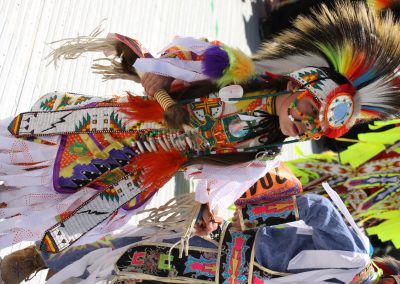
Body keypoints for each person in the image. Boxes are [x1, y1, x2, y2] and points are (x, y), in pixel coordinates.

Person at [0, 0, 399, 268]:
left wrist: (209, 212)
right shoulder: (235, 72)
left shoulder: (264, 154)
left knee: (74, 219)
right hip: (114, 126)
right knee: (26, 147)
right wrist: (158, 83)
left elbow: (219, 184)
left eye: (319, 128)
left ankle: (27, 260)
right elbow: (173, 61)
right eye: (311, 111)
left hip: (139, 176)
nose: (306, 126)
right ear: (300, 84)